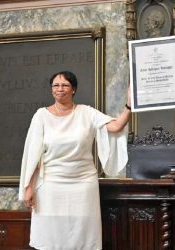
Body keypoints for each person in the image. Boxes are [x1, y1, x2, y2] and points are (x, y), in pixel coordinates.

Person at [18, 71, 131, 250]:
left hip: (83, 184)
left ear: (74, 89)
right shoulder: (41, 116)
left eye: (65, 85)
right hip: (50, 185)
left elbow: (116, 126)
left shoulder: (87, 112)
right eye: (56, 85)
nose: (60, 89)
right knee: (51, 236)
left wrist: (129, 105)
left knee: (82, 237)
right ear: (51, 90)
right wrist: (29, 187)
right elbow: (33, 155)